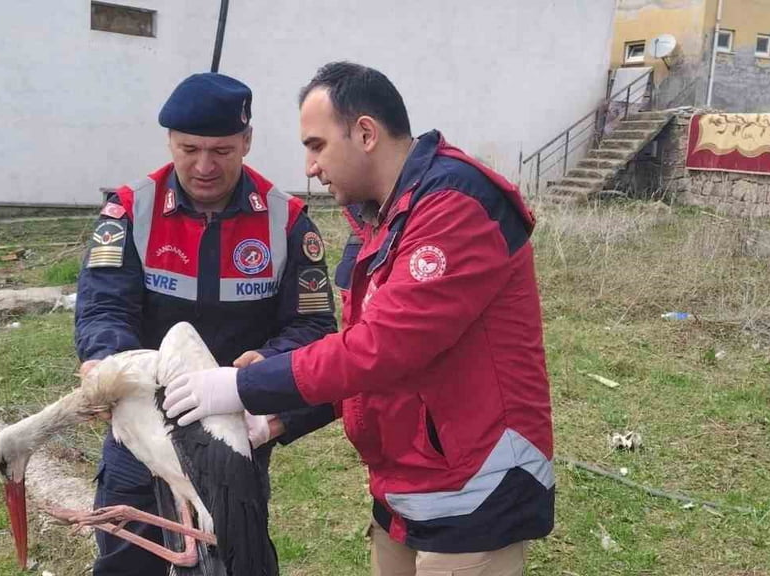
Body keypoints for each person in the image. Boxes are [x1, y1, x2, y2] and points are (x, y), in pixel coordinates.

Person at [162, 61, 555, 576]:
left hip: (475, 492)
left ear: (365, 132)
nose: (309, 166)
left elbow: (386, 346)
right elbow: (364, 353)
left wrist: (243, 385)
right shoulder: (383, 213)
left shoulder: (455, 205)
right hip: (408, 486)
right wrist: (284, 412)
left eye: (317, 145)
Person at [74, 72, 338, 575]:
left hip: (230, 438)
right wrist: (104, 368)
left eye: (221, 150)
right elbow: (104, 311)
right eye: (189, 148)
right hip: (141, 432)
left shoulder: (287, 220)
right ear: (170, 141)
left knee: (231, 563)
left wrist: (265, 369)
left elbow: (314, 329)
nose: (203, 166)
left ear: (247, 141)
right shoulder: (131, 212)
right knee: (127, 561)